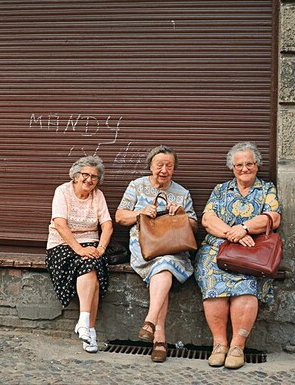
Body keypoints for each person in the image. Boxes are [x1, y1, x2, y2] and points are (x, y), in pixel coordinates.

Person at [195, 141, 281, 369]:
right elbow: (207, 219)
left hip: (252, 249)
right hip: (218, 247)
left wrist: (244, 228)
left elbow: (273, 217)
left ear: (257, 165)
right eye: (239, 165)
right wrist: (232, 234)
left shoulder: (266, 189)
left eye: (249, 164)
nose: (244, 169)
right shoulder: (221, 189)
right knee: (213, 281)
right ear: (232, 167)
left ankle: (237, 346)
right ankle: (219, 344)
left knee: (246, 284)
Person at [115, 145, 198, 362]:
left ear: (174, 169)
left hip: (174, 248)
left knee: (166, 264)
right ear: (150, 166)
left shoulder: (182, 193)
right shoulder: (137, 186)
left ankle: (151, 323)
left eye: (169, 166)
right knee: (163, 267)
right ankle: (159, 337)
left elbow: (195, 226)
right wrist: (139, 213)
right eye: (159, 165)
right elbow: (120, 216)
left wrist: (180, 214)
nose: (163, 170)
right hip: (145, 248)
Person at [46, 155, 113, 353]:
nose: (89, 180)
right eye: (85, 174)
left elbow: (107, 226)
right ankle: (89, 329)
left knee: (92, 267)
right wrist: (79, 249)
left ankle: (85, 325)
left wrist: (100, 249)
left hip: (91, 244)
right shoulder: (62, 191)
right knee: (89, 266)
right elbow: (59, 224)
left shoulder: (97, 195)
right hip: (61, 244)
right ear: (75, 176)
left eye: (94, 176)